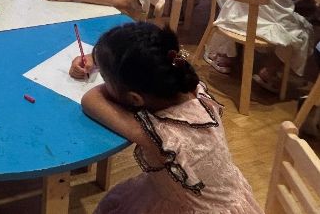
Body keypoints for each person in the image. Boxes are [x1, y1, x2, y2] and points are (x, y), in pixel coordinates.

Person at [70, 22, 263, 214]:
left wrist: (110, 69)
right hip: (221, 195)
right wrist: (100, 60)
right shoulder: (192, 88)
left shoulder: (163, 138)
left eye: (105, 78)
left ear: (135, 99)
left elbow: (90, 100)